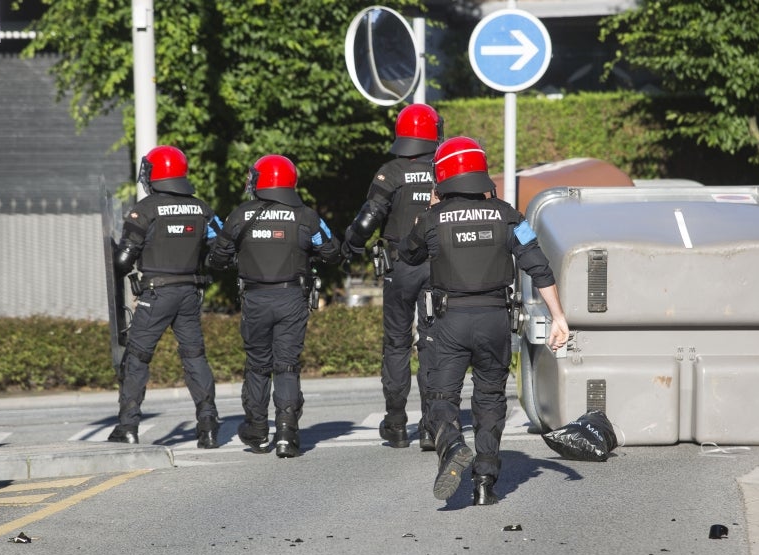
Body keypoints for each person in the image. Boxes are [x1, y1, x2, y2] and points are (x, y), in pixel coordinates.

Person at [397, 136, 570, 505]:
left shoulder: (433, 219)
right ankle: (485, 482)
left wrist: (426, 214)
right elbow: (538, 266)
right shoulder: (508, 215)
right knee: (490, 398)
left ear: (441, 175)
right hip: (495, 321)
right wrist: (558, 318)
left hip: (449, 322)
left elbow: (408, 256)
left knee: (441, 396)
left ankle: (452, 444)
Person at [207, 154, 340, 458]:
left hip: (254, 298)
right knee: (287, 366)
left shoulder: (240, 215)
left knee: (257, 366)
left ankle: (256, 430)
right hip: (292, 297)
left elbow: (218, 258)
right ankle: (287, 434)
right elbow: (332, 251)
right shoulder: (306, 216)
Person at [341, 103, 443, 451]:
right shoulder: (443, 171)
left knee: (396, 345)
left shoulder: (391, 172)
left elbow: (368, 219)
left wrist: (350, 244)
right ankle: (431, 427)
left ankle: (397, 424)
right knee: (432, 345)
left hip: (399, 269)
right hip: (437, 269)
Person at [108, 145, 222, 449]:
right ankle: (208, 425)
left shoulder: (143, 210)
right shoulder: (202, 208)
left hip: (156, 293)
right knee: (194, 357)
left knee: (137, 357)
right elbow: (220, 246)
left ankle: (128, 426)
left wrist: (113, 251)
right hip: (189, 293)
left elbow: (123, 262)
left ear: (154, 174)